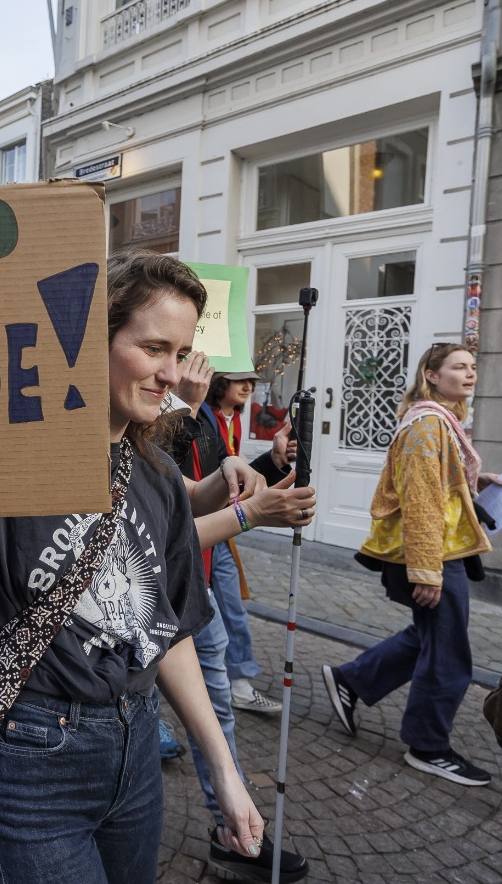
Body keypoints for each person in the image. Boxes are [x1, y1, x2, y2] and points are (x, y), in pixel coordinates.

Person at [0, 249, 317, 883]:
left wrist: (226, 775)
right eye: (153, 348)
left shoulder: (154, 471)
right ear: (87, 340)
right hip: (34, 754)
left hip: (136, 755)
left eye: (179, 353)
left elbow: (166, 633)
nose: (171, 373)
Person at [320, 343, 500, 786]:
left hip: (441, 553)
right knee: (449, 654)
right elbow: (421, 501)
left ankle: (352, 680)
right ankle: (428, 746)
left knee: (428, 637)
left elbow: (438, 485)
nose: (470, 374)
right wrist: (427, 571)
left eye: (473, 367)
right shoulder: (426, 427)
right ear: (433, 375)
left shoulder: (441, 422)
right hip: (435, 557)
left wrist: (477, 482)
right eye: (459, 367)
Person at [170, 351, 309, 882]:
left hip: (192, 583)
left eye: (179, 351)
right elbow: (157, 517)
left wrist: (265, 469)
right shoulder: (165, 406)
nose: (250, 384)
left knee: (218, 701)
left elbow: (199, 488)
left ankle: (232, 828)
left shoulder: (200, 412)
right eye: (159, 350)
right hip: (148, 592)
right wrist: (249, 514)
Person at [200, 367, 283, 715]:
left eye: (252, 380)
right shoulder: (201, 414)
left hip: (221, 532)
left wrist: (275, 460)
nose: (248, 386)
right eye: (239, 380)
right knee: (210, 627)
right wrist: (248, 513)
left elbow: (233, 475)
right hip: (204, 528)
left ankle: (239, 683)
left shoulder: (233, 418)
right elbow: (200, 481)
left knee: (232, 611)